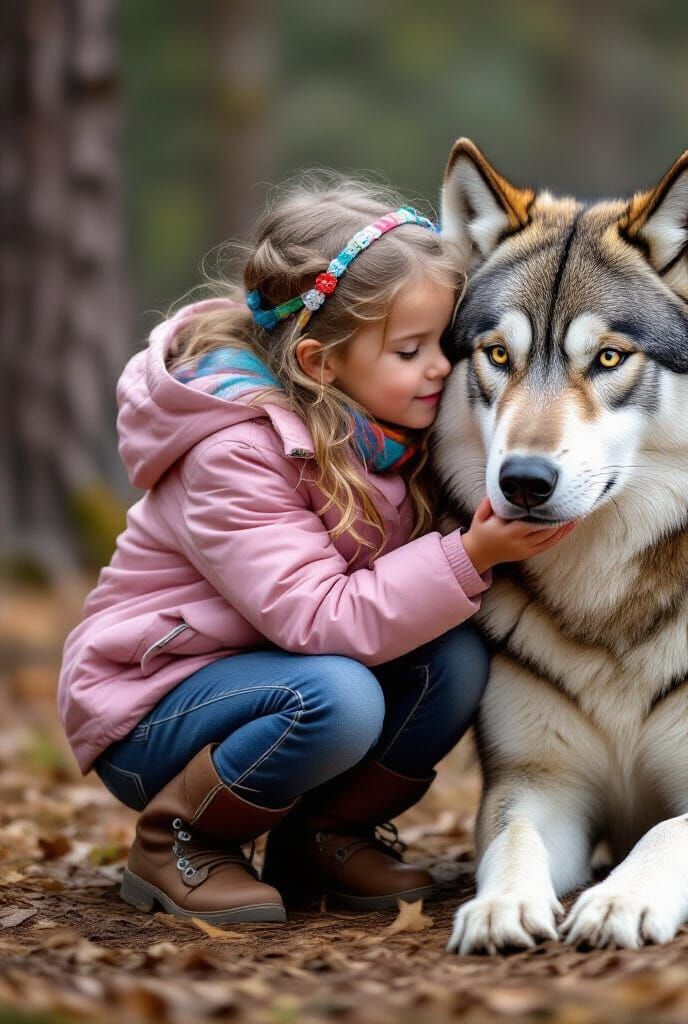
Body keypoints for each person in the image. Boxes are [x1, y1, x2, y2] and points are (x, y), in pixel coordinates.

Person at [57, 177, 575, 924]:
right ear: (320, 361)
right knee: (335, 698)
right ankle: (177, 840)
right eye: (411, 349)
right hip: (154, 709)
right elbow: (318, 618)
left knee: (453, 658)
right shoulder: (235, 451)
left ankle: (323, 837)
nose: (442, 368)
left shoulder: (391, 422)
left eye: (446, 343)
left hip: (274, 676)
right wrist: (472, 554)